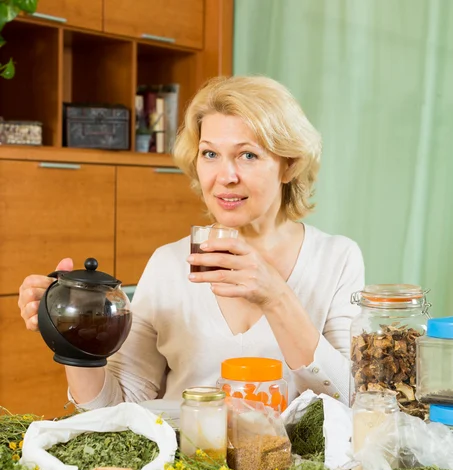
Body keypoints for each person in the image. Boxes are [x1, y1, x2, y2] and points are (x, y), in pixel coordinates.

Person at [18, 75, 364, 410]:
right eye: (210, 154)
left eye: (248, 155)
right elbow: (120, 406)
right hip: (188, 466)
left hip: (293, 468)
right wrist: (73, 335)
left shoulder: (336, 258)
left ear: (288, 166)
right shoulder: (168, 263)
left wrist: (276, 296)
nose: (225, 177)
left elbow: (352, 399)